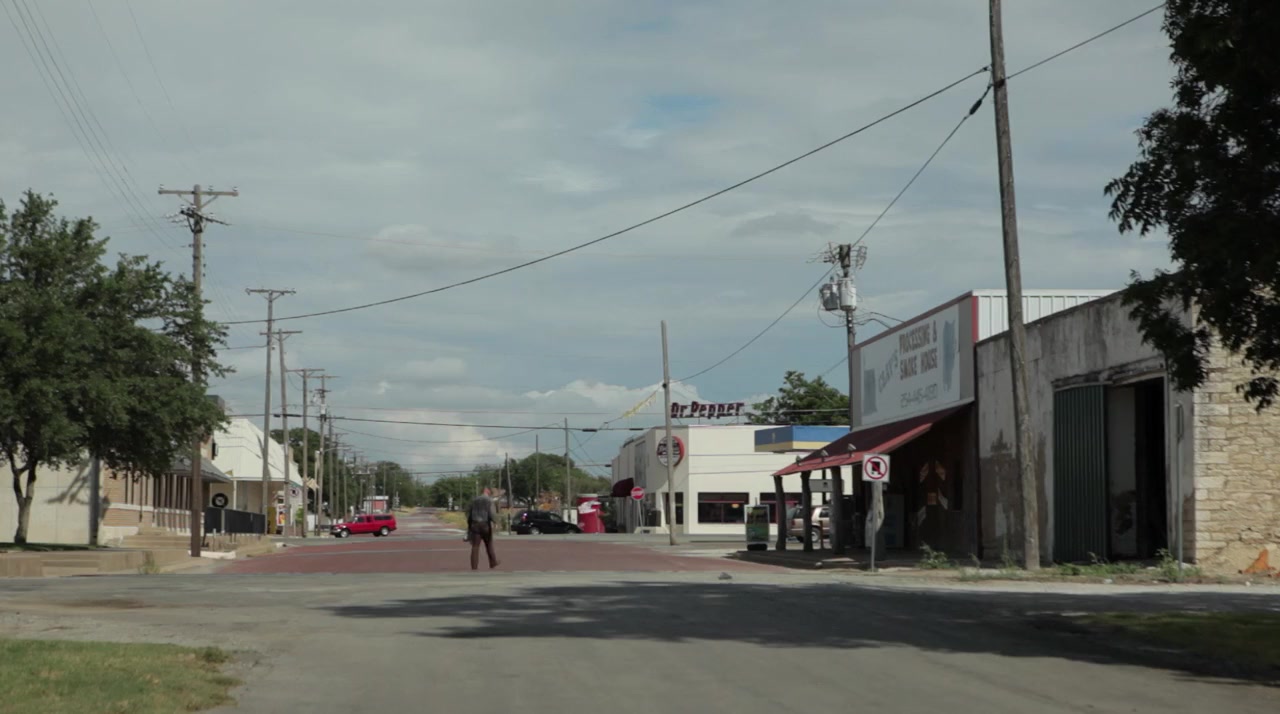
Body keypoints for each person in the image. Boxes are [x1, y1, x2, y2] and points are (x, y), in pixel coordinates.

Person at [466, 488, 500, 570]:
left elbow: (469, 513)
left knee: (475, 547)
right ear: (487, 492)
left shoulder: (474, 500)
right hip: (485, 524)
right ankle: (493, 562)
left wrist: (469, 526)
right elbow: (492, 513)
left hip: (475, 524)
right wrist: (496, 522)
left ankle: (474, 567)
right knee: (489, 544)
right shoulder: (489, 501)